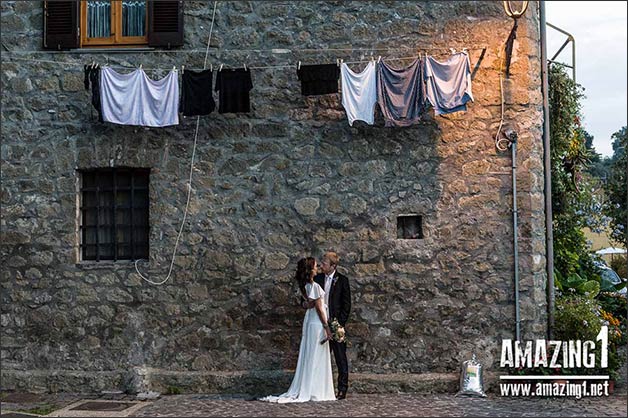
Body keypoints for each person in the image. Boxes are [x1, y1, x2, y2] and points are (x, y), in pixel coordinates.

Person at [260, 257, 336, 403]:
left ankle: (312, 387)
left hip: (310, 321)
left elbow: (310, 304)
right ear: (310, 270)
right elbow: (320, 309)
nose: (317, 267)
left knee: (310, 354)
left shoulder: (305, 286)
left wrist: (308, 305)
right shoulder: (314, 286)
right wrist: (327, 327)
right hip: (317, 323)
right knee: (317, 355)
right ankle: (316, 390)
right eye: (315, 266)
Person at [305, 251, 351, 400]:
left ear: (333, 266)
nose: (321, 266)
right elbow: (309, 298)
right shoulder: (317, 279)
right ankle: (318, 389)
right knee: (319, 357)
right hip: (320, 325)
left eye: (324, 264)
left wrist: (339, 324)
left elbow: (346, 305)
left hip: (335, 324)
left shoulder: (342, 280)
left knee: (340, 357)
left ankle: (342, 389)